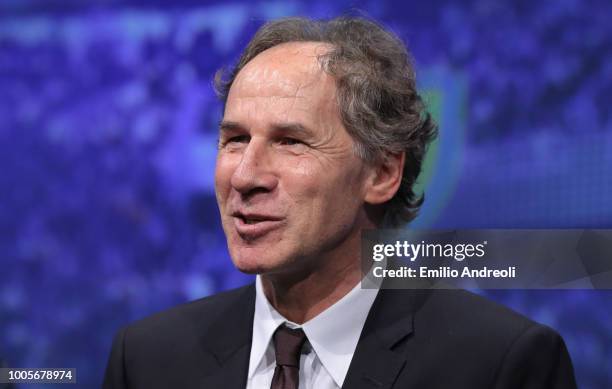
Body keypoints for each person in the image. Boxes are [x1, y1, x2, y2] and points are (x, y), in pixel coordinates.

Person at [103, 16, 577, 389]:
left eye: (291, 142)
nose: (245, 176)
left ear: (383, 173)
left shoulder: (499, 364)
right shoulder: (147, 358)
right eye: (235, 139)